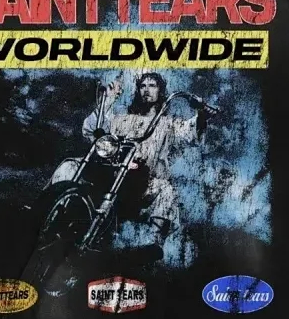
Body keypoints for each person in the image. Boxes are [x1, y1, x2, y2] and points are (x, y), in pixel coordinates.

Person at [81, 72, 213, 237]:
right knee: (71, 164)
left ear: (160, 91)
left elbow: (189, 133)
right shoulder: (122, 119)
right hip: (110, 175)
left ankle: (153, 240)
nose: (146, 90)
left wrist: (202, 116)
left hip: (143, 183)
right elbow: (91, 130)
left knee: (166, 190)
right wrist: (108, 100)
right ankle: (57, 213)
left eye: (152, 86)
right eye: (143, 86)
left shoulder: (168, 123)